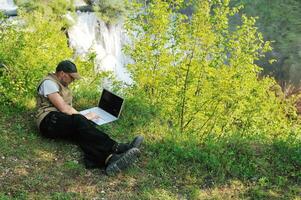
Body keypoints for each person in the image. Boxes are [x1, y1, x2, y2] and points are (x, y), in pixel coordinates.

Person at [35, 60, 143, 175]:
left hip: (59, 120)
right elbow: (64, 108)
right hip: (48, 121)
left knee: (84, 133)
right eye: (71, 77)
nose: (73, 80)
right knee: (80, 121)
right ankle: (116, 147)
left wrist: (83, 119)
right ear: (62, 74)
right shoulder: (48, 83)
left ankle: (109, 159)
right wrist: (83, 117)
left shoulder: (60, 83)